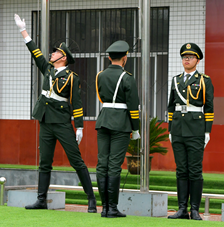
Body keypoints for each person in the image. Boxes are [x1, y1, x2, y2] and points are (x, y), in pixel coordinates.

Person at [14, 14, 97, 213]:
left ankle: (91, 200)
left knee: (76, 160)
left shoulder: (71, 77)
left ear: (63, 58)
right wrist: (23, 31)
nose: (51, 55)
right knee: (45, 161)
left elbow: (77, 103)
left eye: (55, 53)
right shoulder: (48, 70)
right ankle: (41, 199)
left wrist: (79, 126)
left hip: (61, 122)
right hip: (45, 120)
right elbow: (35, 53)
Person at [167, 43, 214, 220]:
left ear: (197, 60)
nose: (187, 59)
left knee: (194, 169)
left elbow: (209, 107)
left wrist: (207, 131)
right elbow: (171, 107)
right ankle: (181, 209)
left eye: (190, 57)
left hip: (196, 129)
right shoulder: (176, 80)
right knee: (181, 169)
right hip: (178, 128)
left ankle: (194, 209)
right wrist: (170, 128)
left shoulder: (204, 80)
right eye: (184, 57)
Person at [95, 40, 140, 218]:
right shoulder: (128, 77)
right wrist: (135, 129)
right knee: (114, 165)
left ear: (108, 57)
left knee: (102, 164)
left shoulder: (100, 75)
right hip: (121, 122)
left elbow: (101, 97)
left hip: (104, 119)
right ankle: (112, 208)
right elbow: (133, 106)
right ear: (124, 58)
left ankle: (104, 207)